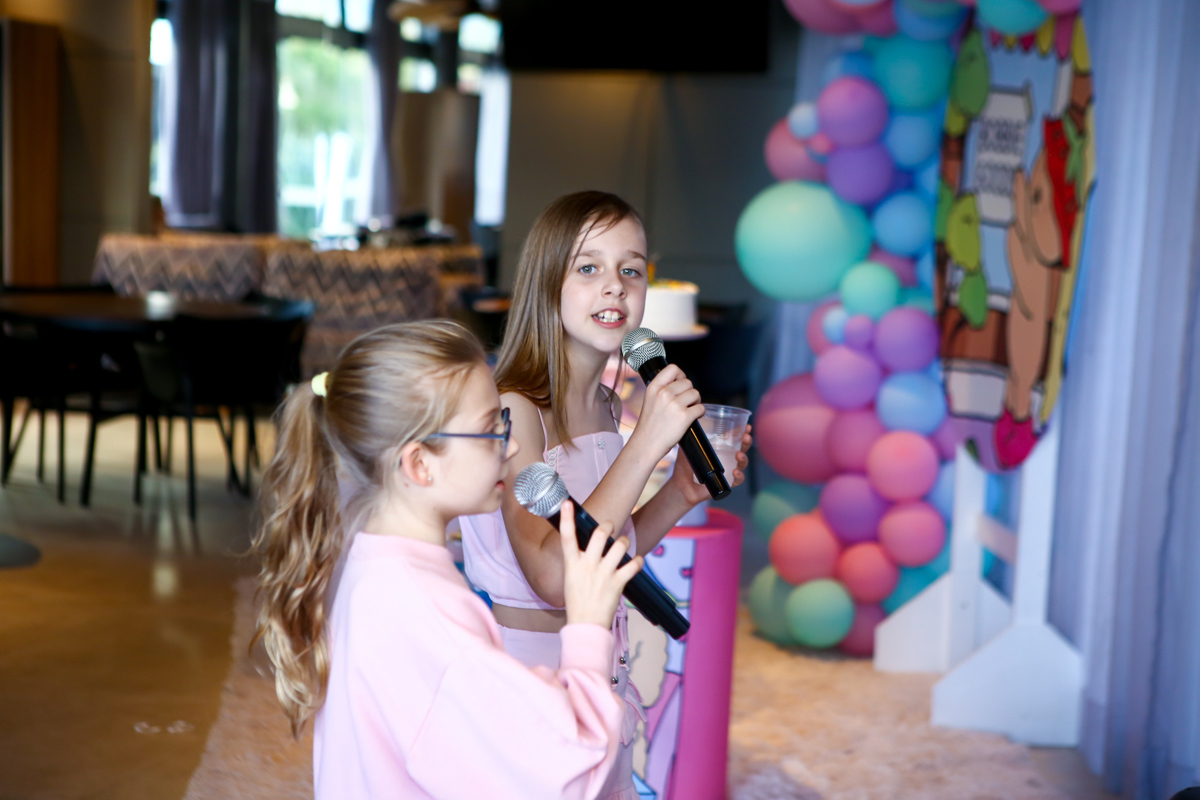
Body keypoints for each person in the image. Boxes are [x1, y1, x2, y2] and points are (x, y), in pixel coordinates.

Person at [252, 320, 644, 799]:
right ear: (419, 464)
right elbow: (567, 774)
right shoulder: (424, 608)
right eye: (490, 429)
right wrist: (587, 626)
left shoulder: (371, 563)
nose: (512, 446)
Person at [459, 191, 752, 799]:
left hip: (601, 658)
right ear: (547, 284)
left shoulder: (606, 405)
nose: (615, 286)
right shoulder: (516, 407)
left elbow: (604, 549)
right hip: (532, 673)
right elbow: (552, 575)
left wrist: (679, 492)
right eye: (589, 268)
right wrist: (646, 443)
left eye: (631, 270)